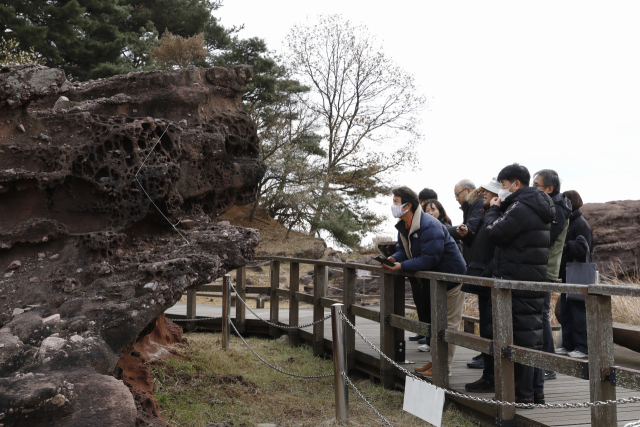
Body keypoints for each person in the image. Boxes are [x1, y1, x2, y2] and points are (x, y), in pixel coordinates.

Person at [484, 164, 555, 405]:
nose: (501, 191)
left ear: (516, 184)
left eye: (503, 186)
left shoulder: (522, 208)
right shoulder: (536, 206)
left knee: (520, 338)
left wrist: (492, 212)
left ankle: (521, 397)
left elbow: (495, 234)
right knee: (530, 336)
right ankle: (535, 393)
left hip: (517, 278)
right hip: (531, 277)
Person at [384, 187, 467, 377]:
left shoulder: (430, 225)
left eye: (396, 202)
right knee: (436, 323)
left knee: (449, 325)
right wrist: (394, 259)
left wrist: (402, 266)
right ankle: (435, 362)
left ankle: (444, 368)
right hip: (434, 281)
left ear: (408, 206)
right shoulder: (404, 226)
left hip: (451, 279)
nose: (393, 206)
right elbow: (403, 251)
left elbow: (430, 259)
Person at [456, 178, 501, 393]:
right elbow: (482, 241)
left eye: (488, 192)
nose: (483, 193)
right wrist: (469, 235)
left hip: (490, 279)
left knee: (491, 329)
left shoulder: (496, 213)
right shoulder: (486, 211)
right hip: (483, 277)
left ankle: (492, 378)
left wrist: (486, 270)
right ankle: (489, 376)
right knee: (486, 328)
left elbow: (497, 244)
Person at [532, 170, 572, 381]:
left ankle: (548, 364)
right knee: (538, 314)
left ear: (549, 188)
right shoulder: (552, 204)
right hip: (541, 267)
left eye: (536, 184)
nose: (532, 187)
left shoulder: (557, 207)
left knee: (540, 314)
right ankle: (544, 362)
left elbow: (545, 238)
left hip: (544, 269)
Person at [556, 190, 593, 359]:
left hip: (577, 275)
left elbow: (583, 249)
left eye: (564, 200)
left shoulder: (580, 223)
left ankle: (582, 347)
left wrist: (565, 246)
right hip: (568, 274)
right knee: (566, 312)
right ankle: (568, 345)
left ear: (571, 202)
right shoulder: (570, 221)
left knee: (578, 313)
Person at [449, 179, 484, 264]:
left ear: (468, 190)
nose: (457, 199)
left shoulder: (479, 202)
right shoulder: (470, 206)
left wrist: (442, 229)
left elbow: (470, 228)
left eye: (457, 194)